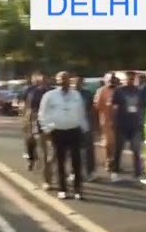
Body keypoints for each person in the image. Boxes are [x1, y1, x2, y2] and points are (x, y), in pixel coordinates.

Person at [38, 71, 89, 200]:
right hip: (58, 131)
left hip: (74, 130)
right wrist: (47, 129)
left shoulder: (76, 95)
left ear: (69, 80)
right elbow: (42, 114)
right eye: (61, 78)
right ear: (57, 80)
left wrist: (85, 128)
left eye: (66, 78)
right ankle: (62, 189)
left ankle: (78, 189)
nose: (64, 81)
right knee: (60, 161)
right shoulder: (49, 95)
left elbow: (81, 112)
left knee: (76, 162)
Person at [111, 71, 144, 181]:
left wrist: (141, 122)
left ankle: (138, 173)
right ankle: (115, 171)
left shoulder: (139, 91)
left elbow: (141, 107)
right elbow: (114, 107)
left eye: (132, 79)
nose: (131, 80)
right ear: (125, 79)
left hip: (135, 124)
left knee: (136, 149)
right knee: (118, 149)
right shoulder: (119, 91)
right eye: (129, 78)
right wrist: (114, 122)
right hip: (122, 124)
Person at [72, 75, 96, 182]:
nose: (77, 84)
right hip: (72, 124)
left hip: (85, 123)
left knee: (88, 150)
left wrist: (93, 125)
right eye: (75, 82)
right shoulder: (69, 94)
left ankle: (89, 172)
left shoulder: (87, 93)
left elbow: (92, 109)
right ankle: (74, 172)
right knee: (73, 150)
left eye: (80, 82)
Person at [93, 72, 118, 172]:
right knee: (108, 143)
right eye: (110, 79)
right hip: (106, 121)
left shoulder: (118, 90)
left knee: (117, 143)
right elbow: (97, 106)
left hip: (118, 121)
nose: (112, 81)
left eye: (113, 79)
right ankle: (108, 161)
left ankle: (115, 162)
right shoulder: (101, 91)